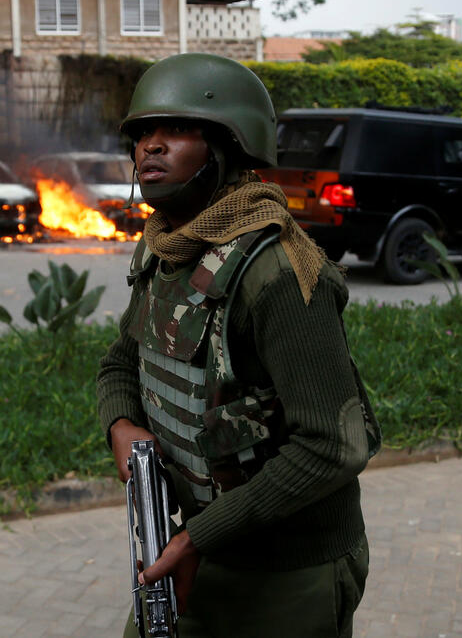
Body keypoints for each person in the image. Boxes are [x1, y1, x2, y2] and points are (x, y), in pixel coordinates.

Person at [97, 53, 382, 637]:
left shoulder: (278, 271)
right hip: (197, 547)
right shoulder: (165, 246)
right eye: (142, 133)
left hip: (288, 570)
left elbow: (333, 445)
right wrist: (121, 423)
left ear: (228, 145)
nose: (150, 146)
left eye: (175, 129)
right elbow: (123, 360)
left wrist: (200, 538)